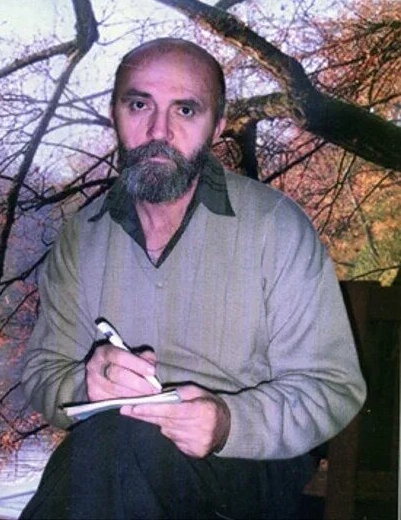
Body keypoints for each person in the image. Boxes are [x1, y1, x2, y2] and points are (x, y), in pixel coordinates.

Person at [20, 38, 366, 520]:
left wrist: (228, 422)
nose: (158, 130)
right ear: (114, 113)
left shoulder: (276, 226)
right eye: (139, 105)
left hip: (247, 462)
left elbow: (333, 386)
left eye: (185, 109)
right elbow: (42, 374)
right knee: (117, 446)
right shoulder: (82, 237)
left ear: (217, 125)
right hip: (114, 456)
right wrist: (85, 385)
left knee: (112, 451)